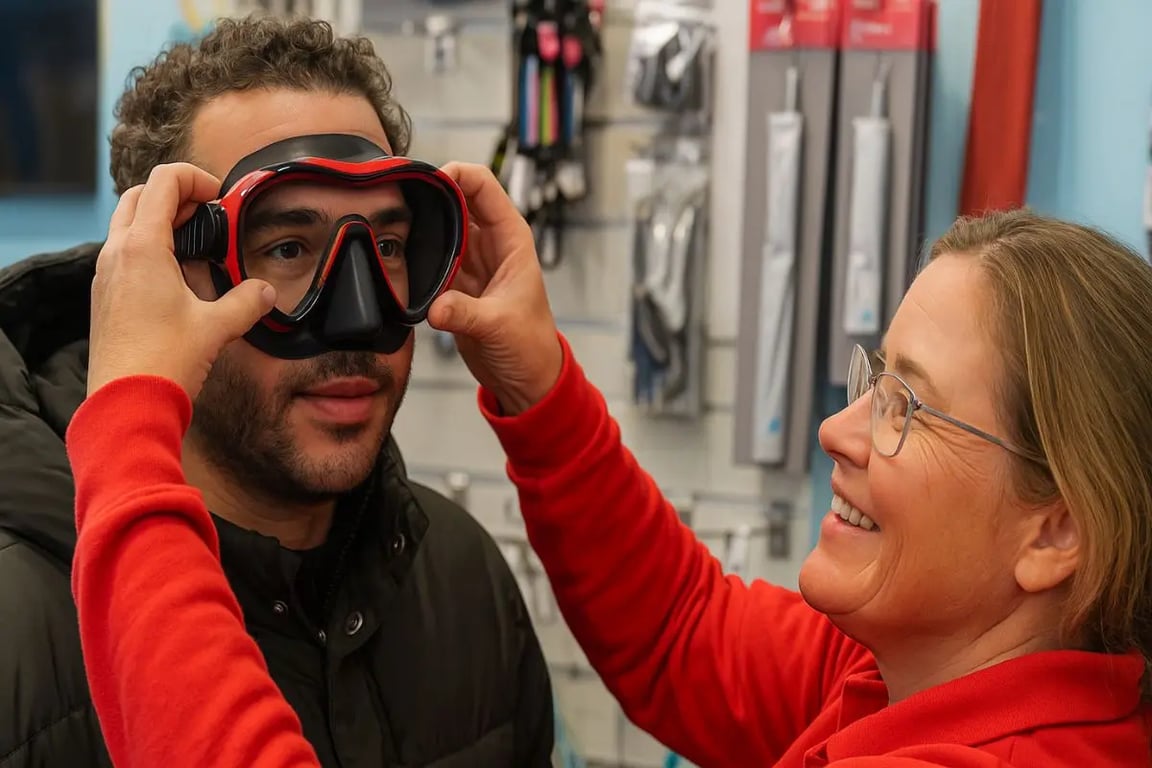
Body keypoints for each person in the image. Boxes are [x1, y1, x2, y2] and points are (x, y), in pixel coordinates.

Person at [66, 173, 1152, 763]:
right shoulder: (904, 675)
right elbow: (683, 630)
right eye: (873, 375)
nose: (841, 428)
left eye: (908, 406)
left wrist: (125, 431)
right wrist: (540, 387)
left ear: (1058, 532)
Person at [0, 15, 554, 768]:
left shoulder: (462, 580)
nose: (359, 318)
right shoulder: (17, 635)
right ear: (164, 276)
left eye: (386, 246)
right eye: (288, 248)